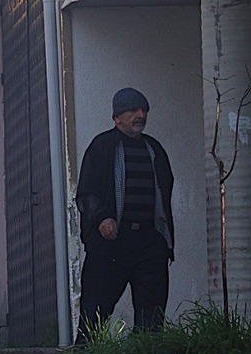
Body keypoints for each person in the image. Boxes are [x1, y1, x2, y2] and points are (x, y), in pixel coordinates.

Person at [73, 86, 175, 340]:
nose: (140, 115)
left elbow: (164, 191)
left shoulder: (155, 150)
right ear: (117, 117)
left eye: (144, 110)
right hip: (111, 244)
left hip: (150, 242)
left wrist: (163, 240)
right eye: (133, 110)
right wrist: (102, 218)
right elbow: (87, 192)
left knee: (152, 313)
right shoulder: (102, 147)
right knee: (95, 311)